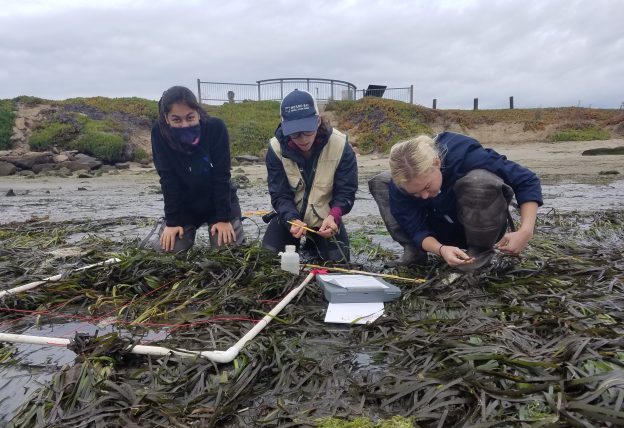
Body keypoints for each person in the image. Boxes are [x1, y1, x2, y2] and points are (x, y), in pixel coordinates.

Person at [369, 132, 543, 270]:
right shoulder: (401, 184)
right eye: (415, 193)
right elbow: (416, 229)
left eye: (427, 187)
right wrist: (440, 249)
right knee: (381, 182)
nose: (423, 195)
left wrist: (525, 231)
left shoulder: (466, 156)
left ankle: (479, 253)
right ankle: (414, 252)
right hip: (436, 232)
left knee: (479, 180)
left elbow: (526, 180)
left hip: (480, 226)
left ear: (436, 163)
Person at [262, 89, 357, 262]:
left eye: (308, 131)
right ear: (284, 127)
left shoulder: (340, 145)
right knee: (268, 259)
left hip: (326, 220)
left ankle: (314, 244)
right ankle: (303, 241)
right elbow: (279, 194)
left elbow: (346, 191)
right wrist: (292, 219)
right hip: (289, 220)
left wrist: (334, 216)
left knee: (339, 263)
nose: (303, 139)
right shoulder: (276, 149)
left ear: (318, 120)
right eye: (295, 133)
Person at [147, 85, 244, 253]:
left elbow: (222, 176)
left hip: (217, 202)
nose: (185, 124)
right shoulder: (159, 133)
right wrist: (172, 222)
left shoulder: (216, 128)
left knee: (227, 252)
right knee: (168, 252)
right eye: (176, 120)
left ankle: (226, 226)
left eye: (190, 117)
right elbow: (168, 179)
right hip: (185, 205)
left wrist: (223, 218)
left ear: (198, 112)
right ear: (166, 118)